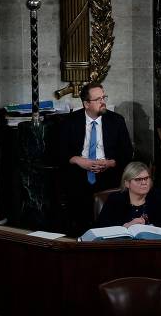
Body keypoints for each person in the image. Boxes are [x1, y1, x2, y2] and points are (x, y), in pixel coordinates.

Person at [57, 82, 133, 234]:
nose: (103, 101)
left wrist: (111, 162)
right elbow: (58, 152)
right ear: (86, 104)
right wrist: (78, 160)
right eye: (98, 99)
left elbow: (127, 152)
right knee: (74, 194)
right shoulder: (69, 121)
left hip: (109, 174)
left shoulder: (116, 121)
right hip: (79, 173)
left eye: (103, 97)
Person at [96, 161, 161, 230]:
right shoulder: (115, 199)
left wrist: (148, 227)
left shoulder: (158, 197)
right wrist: (127, 226)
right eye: (138, 179)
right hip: (121, 246)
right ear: (127, 183)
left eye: (146, 178)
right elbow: (101, 227)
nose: (144, 183)